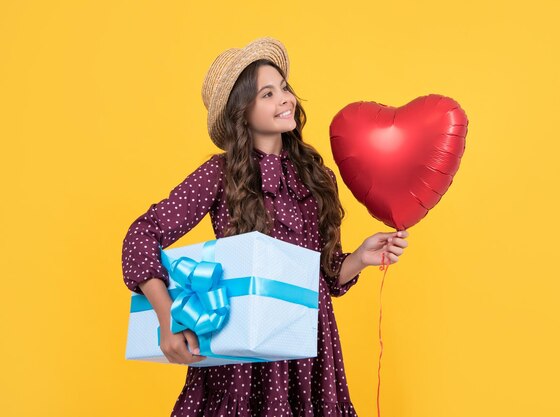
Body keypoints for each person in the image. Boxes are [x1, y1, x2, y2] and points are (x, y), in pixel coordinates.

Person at [121, 37, 409, 417]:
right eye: (268, 94)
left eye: (285, 88)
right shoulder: (219, 174)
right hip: (243, 349)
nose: (286, 99)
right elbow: (140, 237)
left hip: (310, 349)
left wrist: (360, 257)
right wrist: (168, 319)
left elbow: (321, 276)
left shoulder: (315, 176)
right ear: (242, 111)